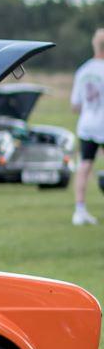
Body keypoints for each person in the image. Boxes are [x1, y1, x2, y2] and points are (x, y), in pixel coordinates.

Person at [72, 29, 104, 226]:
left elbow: (75, 105)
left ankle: (79, 210)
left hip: (86, 124)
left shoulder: (83, 70)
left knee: (84, 165)